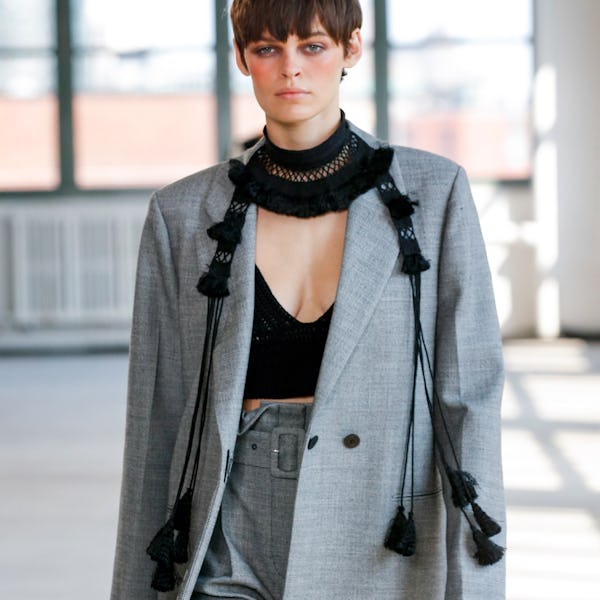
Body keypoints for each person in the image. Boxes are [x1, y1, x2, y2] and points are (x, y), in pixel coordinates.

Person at [110, 1, 506, 599]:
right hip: (228, 524)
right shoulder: (181, 214)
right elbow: (158, 418)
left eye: (312, 46)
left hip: (378, 525)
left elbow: (467, 400)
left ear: (351, 50)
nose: (290, 69)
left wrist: (478, 585)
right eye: (268, 48)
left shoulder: (435, 193)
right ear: (244, 59)